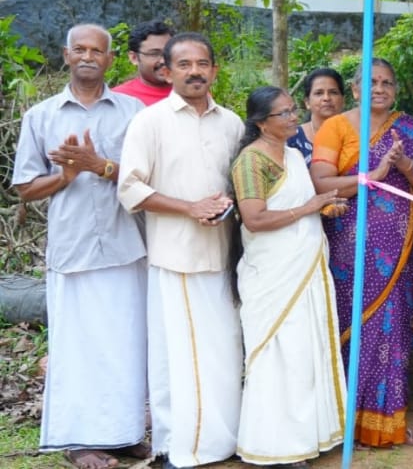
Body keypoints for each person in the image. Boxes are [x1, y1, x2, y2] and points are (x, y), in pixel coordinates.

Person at [13, 24, 148, 469]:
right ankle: (79, 440)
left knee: (126, 343)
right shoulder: (42, 116)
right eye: (80, 49)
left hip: (125, 243)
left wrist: (100, 166)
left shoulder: (133, 112)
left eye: (97, 50)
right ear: (66, 55)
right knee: (77, 347)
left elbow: (148, 175)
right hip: (72, 249)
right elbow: (26, 188)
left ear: (110, 59)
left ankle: (125, 433)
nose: (88, 56)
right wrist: (66, 177)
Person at [118, 32, 245, 468]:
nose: (195, 72)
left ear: (215, 70)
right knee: (178, 357)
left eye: (202, 64)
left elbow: (240, 184)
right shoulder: (149, 122)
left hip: (223, 255)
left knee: (224, 352)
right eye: (184, 65)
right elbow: (130, 188)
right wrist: (189, 208)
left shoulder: (232, 123)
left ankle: (223, 441)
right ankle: (180, 447)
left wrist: (226, 205)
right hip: (176, 257)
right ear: (167, 71)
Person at [309, 58, 413, 448]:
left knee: (392, 327)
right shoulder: (336, 126)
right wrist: (374, 175)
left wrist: (406, 165)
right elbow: (321, 182)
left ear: (395, 90)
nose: (379, 89)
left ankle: (384, 422)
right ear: (355, 89)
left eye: (387, 83)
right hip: (348, 244)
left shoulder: (409, 129)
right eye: (371, 82)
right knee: (350, 324)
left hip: (398, 246)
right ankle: (342, 423)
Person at [231, 86, 349, 466]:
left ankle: (309, 435)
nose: (293, 116)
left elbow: (302, 206)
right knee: (278, 355)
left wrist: (323, 209)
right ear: (261, 122)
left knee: (305, 353)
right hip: (273, 273)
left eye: (293, 109)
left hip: (305, 266)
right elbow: (255, 219)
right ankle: (275, 445)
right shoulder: (250, 162)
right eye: (283, 113)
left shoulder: (295, 156)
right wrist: (309, 207)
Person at [287, 67, 346, 164]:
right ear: (307, 102)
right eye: (319, 93)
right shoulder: (292, 137)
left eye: (333, 92)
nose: (326, 98)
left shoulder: (357, 135)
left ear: (343, 100)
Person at [112, 20, 174, 105]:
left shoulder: (190, 92)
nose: (163, 60)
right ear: (134, 58)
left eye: (168, 52)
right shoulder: (119, 99)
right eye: (154, 54)